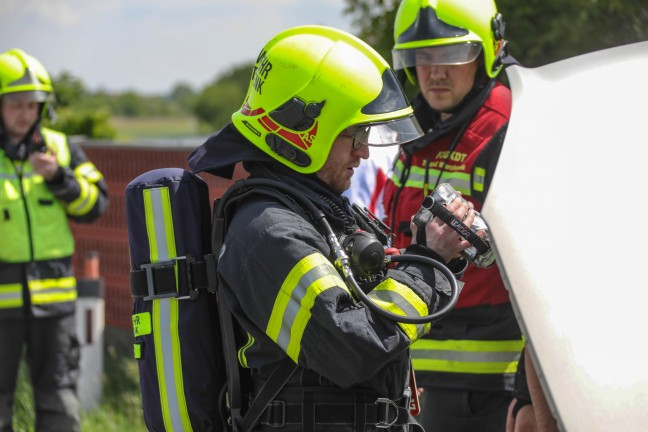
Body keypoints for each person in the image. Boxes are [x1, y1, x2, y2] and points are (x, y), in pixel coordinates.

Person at [188, 25, 478, 431]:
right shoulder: (267, 232)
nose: (363, 151)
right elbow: (349, 346)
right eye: (353, 134)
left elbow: (379, 319)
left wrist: (433, 254)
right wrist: (429, 263)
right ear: (305, 132)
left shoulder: (318, 212)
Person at [382, 1, 525, 431]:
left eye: (450, 55)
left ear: (485, 53)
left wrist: (529, 392)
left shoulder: (512, 128)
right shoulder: (414, 133)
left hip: (492, 390)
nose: (435, 72)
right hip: (419, 376)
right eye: (422, 57)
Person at [0, 48, 108, 432]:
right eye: (16, 104)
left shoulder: (60, 149)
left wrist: (59, 178)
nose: (26, 114)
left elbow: (97, 202)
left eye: (33, 105)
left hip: (55, 305)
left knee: (59, 399)